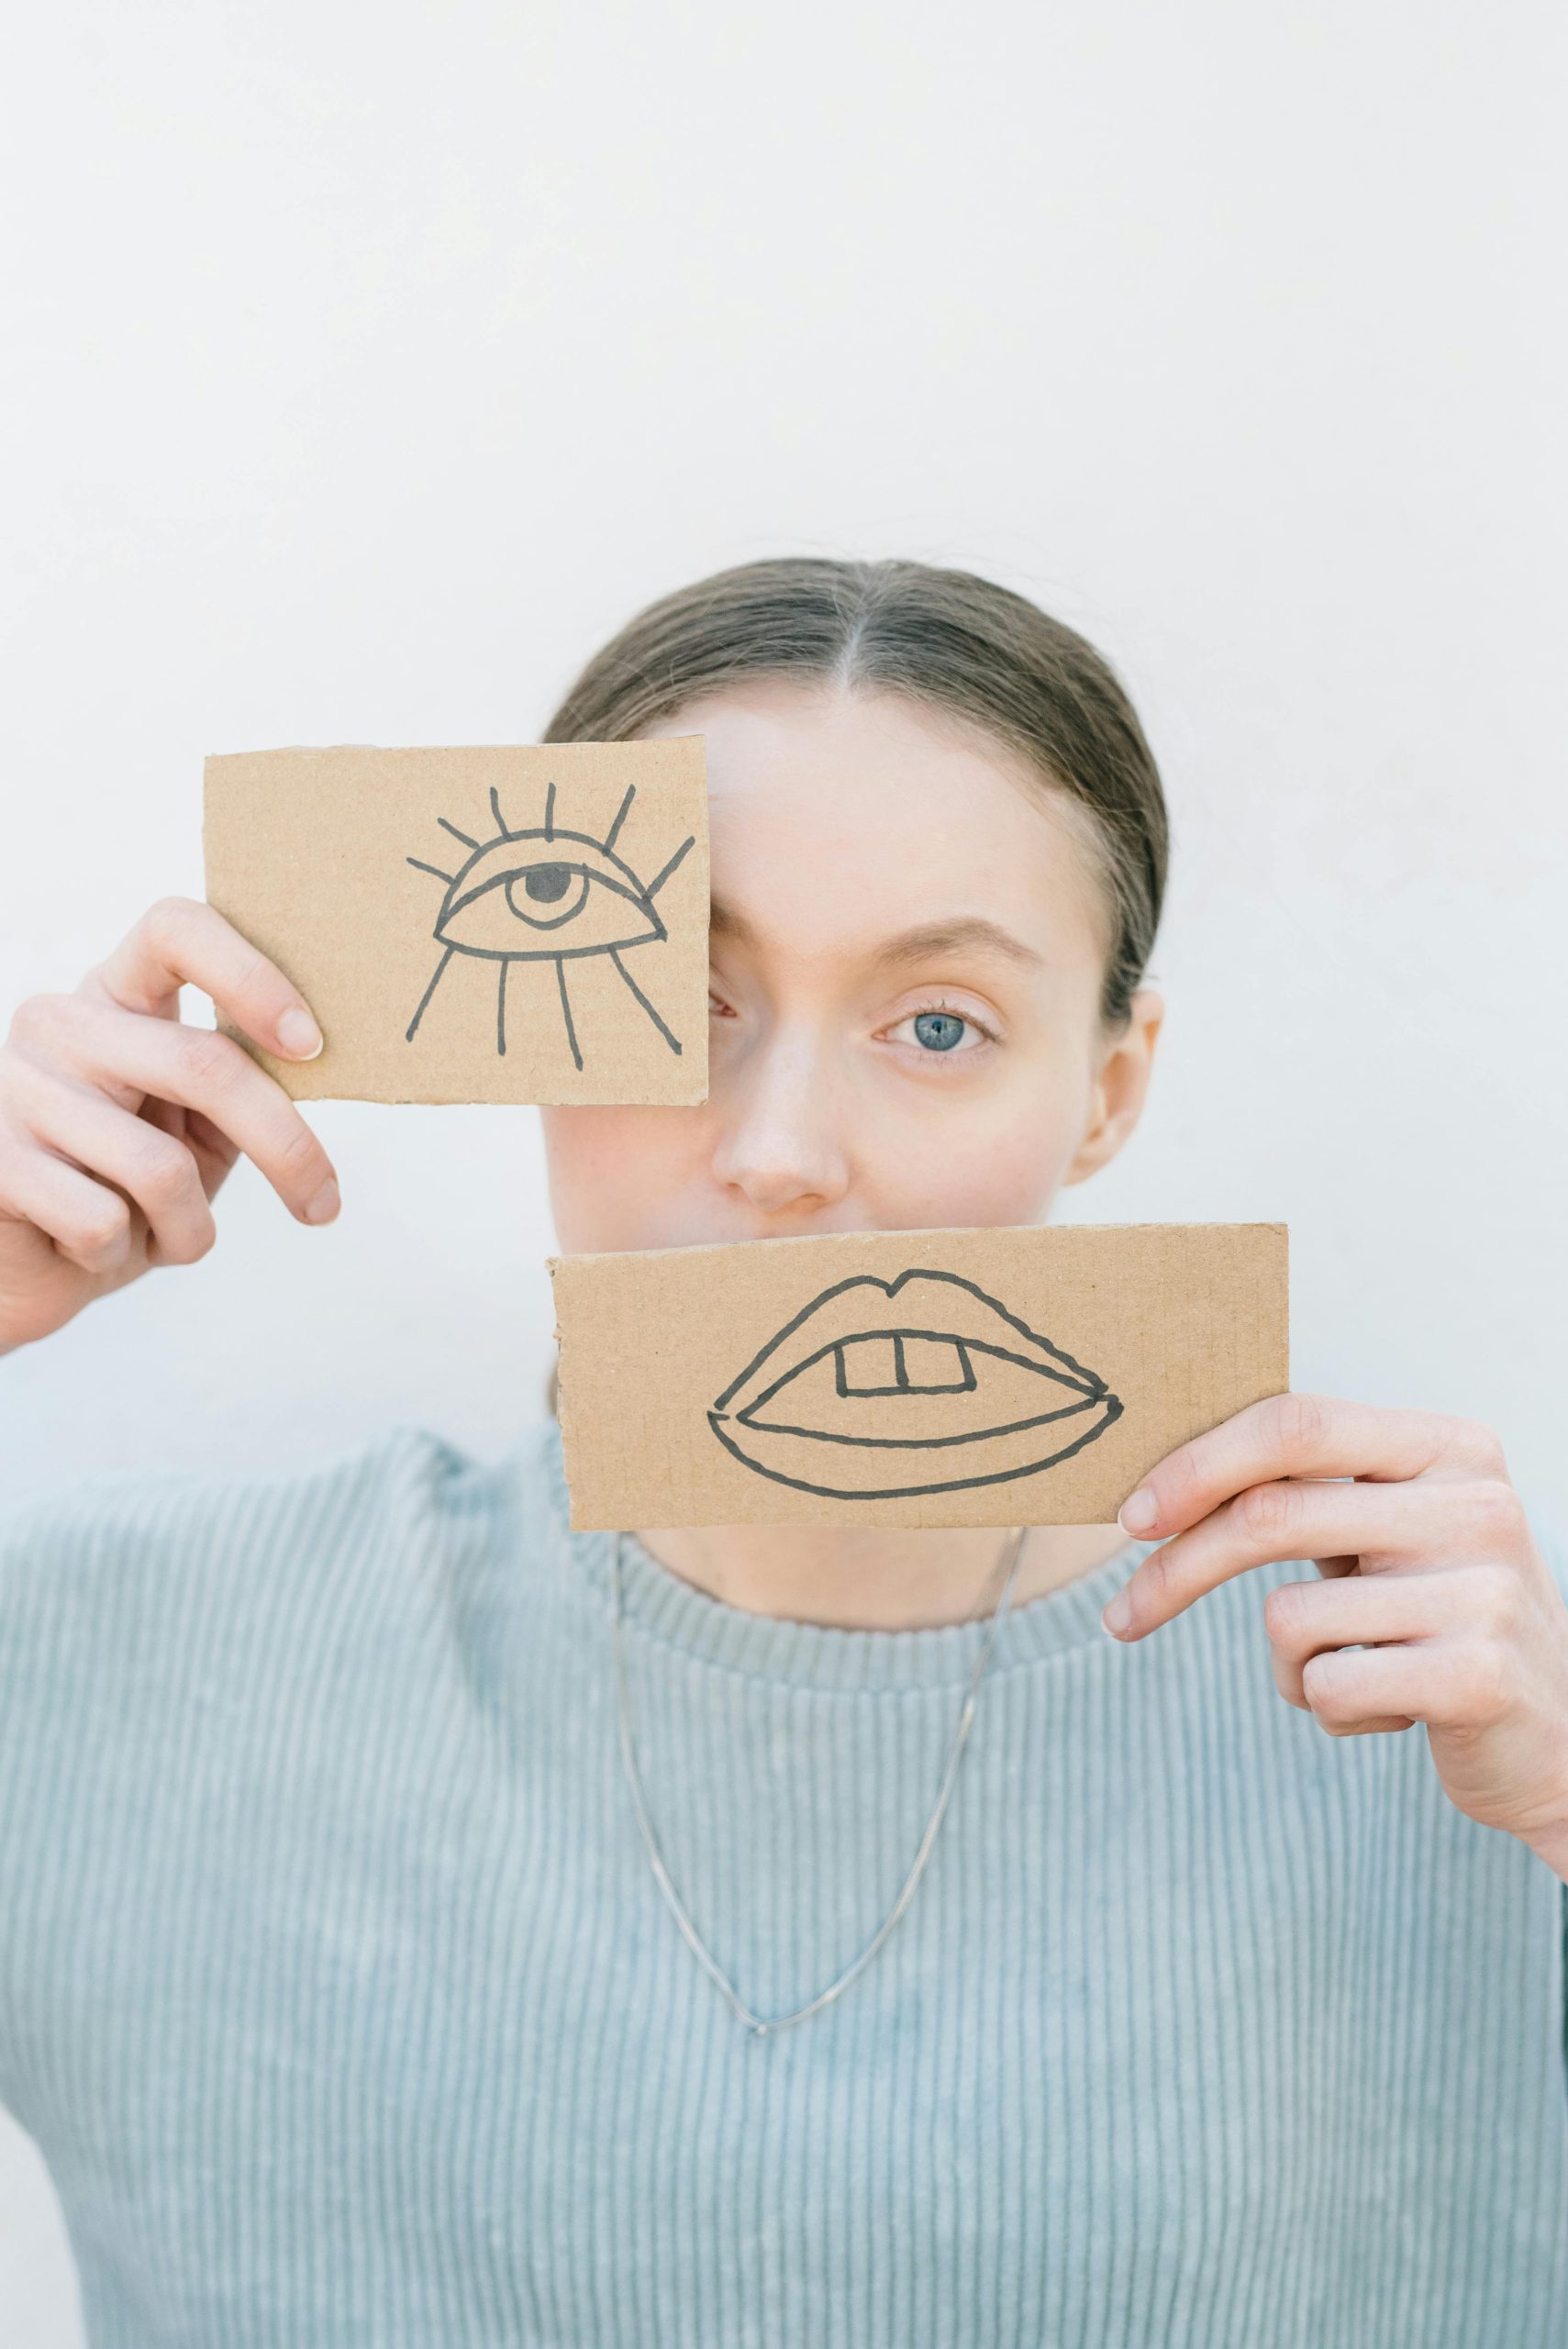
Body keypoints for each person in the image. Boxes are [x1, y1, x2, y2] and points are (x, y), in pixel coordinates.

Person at [1, 555, 1565, 2348]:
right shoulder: (115, 1663)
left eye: (937, 1026)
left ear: (1110, 1090)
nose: (785, 1150)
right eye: (678, 993)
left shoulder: (1450, 1690)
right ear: (516, 1018)